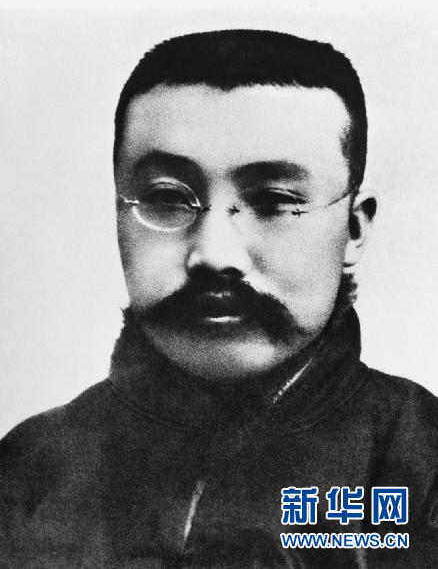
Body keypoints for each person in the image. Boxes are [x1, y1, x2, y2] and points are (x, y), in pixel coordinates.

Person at [0, 29, 437, 568]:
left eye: (274, 201)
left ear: (353, 230)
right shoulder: (28, 470)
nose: (214, 254)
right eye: (166, 198)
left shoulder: (423, 462)